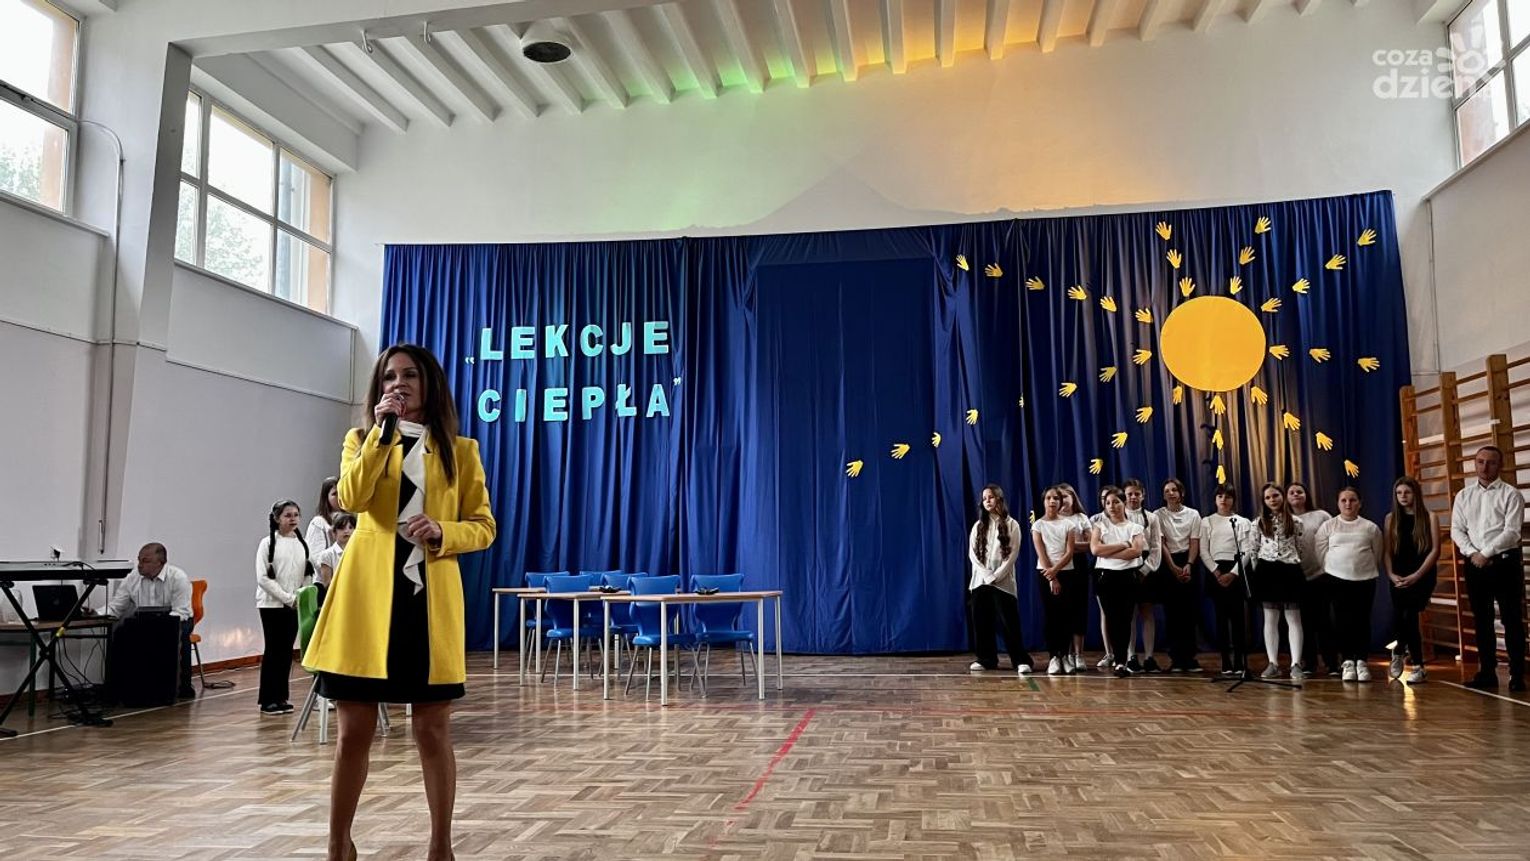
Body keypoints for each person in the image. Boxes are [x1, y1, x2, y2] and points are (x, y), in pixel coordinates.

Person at [303, 344, 496, 861]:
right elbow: (352, 497)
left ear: (429, 383)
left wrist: (444, 530)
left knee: (432, 729)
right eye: (389, 376)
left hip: (427, 600)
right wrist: (381, 435)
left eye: (409, 374)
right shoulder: (361, 440)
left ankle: (440, 846)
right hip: (366, 601)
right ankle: (338, 844)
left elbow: (483, 526)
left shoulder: (461, 450)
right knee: (353, 732)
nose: (399, 383)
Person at [1450, 445, 1525, 692]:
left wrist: (1486, 553)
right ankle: (1487, 673)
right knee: (1482, 620)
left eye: (1491, 462)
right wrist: (1473, 553)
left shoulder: (1511, 494)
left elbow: (1512, 531)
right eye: (1480, 461)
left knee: (1512, 619)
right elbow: (1457, 530)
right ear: (1475, 463)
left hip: (1505, 562)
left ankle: (1517, 675)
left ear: (1499, 465)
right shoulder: (1464, 496)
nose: (1484, 467)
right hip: (1474, 564)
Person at [108, 542, 195, 698]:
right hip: (144, 621)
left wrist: (159, 626)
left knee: (179, 636)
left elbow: (181, 611)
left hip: (176, 619)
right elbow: (116, 606)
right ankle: (118, 689)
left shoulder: (178, 577)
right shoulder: (132, 577)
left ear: (161, 562)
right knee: (119, 633)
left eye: (145, 561)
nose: (140, 565)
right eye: (139, 560)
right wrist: (96, 613)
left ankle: (182, 687)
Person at [1314, 488, 1384, 681]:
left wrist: (1361, 568)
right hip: (1336, 579)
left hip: (1365, 579)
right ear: (1338, 503)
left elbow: (1377, 553)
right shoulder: (1328, 526)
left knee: (1362, 620)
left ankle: (1361, 661)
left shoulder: (1370, 528)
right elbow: (1320, 552)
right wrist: (1335, 568)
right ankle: (1347, 662)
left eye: (1352, 500)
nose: (1348, 504)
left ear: (1360, 503)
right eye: (1343, 500)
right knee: (1342, 621)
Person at [967, 484, 1033, 675]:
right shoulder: (978, 526)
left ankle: (1020, 660)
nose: (987, 501)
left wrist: (996, 576)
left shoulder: (1012, 525)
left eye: (991, 497)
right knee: (981, 622)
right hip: (980, 581)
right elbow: (973, 555)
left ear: (999, 499)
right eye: (984, 498)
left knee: (1009, 623)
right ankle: (986, 659)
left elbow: (1012, 555)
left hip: (1003, 582)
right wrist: (986, 574)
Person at [255, 500, 314, 715]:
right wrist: (287, 598)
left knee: (286, 651)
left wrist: (301, 596)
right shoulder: (267, 544)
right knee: (273, 649)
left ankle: (281, 697)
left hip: (294, 605)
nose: (293, 519)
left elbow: (307, 573)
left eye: (296, 515)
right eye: (288, 515)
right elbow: (263, 577)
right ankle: (268, 700)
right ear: (277, 518)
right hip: (271, 605)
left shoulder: (302, 544)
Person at [1384, 477, 1439, 684]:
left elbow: (1435, 550)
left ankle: (1416, 663)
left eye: (1407, 492)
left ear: (1415, 493)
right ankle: (1401, 652)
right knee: (1401, 615)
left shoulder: (1429, 517)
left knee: (1410, 615)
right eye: (1399, 493)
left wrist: (1417, 575)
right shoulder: (1390, 518)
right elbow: (1387, 551)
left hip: (1422, 574)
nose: (1403, 496)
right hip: (1398, 574)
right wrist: (1391, 575)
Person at [1251, 482, 1307, 680]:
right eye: (1268, 497)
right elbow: (1253, 549)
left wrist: (1292, 563)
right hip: (1267, 570)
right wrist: (1259, 572)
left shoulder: (1296, 522)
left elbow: (1300, 547)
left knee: (1294, 618)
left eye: (1275, 496)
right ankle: (1273, 663)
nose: (1272, 500)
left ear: (1282, 497)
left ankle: (1296, 663)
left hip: (1290, 569)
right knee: (1270, 618)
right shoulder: (1258, 523)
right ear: (1263, 501)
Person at [1090, 486, 1147, 677]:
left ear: (1124, 503)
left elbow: (1136, 551)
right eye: (1108, 503)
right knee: (1112, 619)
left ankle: (1122, 661)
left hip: (1127, 577)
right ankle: (1117, 658)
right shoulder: (1100, 526)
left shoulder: (1135, 528)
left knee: (1126, 619)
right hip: (1106, 577)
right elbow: (1096, 550)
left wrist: (1109, 551)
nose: (1112, 506)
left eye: (1116, 502)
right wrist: (1123, 544)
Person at [1201, 483, 1253, 677]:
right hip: (1216, 570)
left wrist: (1233, 573)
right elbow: (1204, 550)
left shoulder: (1242, 522)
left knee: (1238, 620)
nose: (1224, 500)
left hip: (1236, 571)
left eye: (1228, 496)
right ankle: (1225, 661)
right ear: (1215, 500)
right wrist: (1216, 572)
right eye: (1220, 496)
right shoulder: (1207, 521)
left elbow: (1247, 550)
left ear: (1233, 500)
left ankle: (1239, 660)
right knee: (1221, 620)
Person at [1288, 482, 1337, 677]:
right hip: (1297, 577)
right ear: (1286, 497)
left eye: (1299, 491)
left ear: (1306, 494)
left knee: (1324, 620)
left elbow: (1334, 539)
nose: (1296, 494)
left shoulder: (1321, 516)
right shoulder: (1285, 519)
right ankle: (1309, 663)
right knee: (1304, 623)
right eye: (1291, 492)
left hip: (1321, 575)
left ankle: (1332, 663)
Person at [1155, 479, 1202, 673]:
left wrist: (1189, 564)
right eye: (1167, 490)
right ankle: (1176, 658)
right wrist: (1173, 567)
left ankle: (1190, 658)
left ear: (1181, 493)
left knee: (1189, 612)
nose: (1171, 493)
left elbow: (1194, 542)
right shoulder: (1158, 515)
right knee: (1172, 613)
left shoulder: (1193, 514)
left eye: (1174, 490)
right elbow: (1161, 543)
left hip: (1188, 560)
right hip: (1168, 562)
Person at [1032, 486, 1077, 675]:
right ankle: (1054, 657)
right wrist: (1052, 577)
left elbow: (1070, 551)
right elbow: (1041, 552)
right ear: (1044, 501)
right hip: (1045, 573)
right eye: (1048, 498)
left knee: (1066, 615)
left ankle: (1065, 655)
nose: (1052, 501)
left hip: (1066, 572)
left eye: (1056, 498)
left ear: (1060, 502)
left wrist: (1056, 571)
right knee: (1051, 616)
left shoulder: (1068, 524)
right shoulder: (1038, 525)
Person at [1122, 478, 1164, 673]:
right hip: (1125, 564)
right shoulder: (1118, 516)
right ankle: (1131, 656)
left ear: (1143, 495)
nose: (1133, 497)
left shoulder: (1152, 518)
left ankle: (1149, 657)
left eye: (1136, 494)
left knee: (1147, 612)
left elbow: (1156, 546)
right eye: (1129, 494)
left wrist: (1146, 569)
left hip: (1146, 566)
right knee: (1129, 614)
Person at [1057, 483, 1093, 673]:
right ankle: (1064, 654)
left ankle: (1078, 654)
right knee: (1063, 610)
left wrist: (1069, 546)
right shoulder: (1052, 519)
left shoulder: (1081, 518)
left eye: (1065, 496)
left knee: (1079, 608)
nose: (1062, 501)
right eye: (1058, 497)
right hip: (1059, 566)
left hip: (1078, 565)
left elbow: (1091, 545)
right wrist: (1073, 546)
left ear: (1073, 498)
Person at [306, 476, 344, 560]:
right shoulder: (318, 523)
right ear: (326, 497)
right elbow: (316, 558)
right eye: (335, 494)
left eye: (342, 492)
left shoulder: (353, 520)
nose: (340, 497)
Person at [315, 513, 357, 588]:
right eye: (342, 528)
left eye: (350, 528)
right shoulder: (327, 555)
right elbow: (327, 584)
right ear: (334, 532)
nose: (346, 531)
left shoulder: (358, 552)